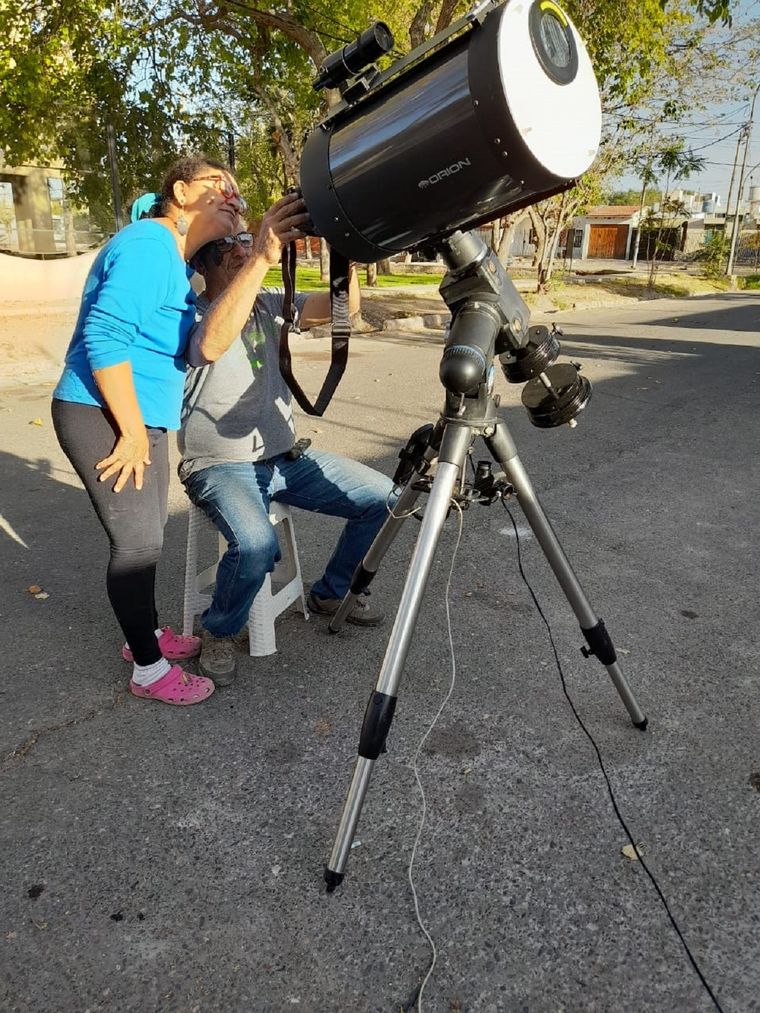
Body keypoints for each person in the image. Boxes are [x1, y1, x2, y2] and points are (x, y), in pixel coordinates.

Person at [52, 155, 247, 706]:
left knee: (150, 533)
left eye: (237, 192)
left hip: (140, 416)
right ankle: (148, 669)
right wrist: (133, 433)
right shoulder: (148, 244)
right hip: (102, 412)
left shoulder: (173, 260)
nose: (233, 198)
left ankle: (147, 632)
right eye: (220, 186)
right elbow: (104, 337)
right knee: (136, 544)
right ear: (181, 192)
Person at [179, 193, 396, 685]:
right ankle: (220, 629)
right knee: (256, 544)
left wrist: (344, 255)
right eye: (228, 244)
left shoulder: (268, 300)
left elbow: (341, 308)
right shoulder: (189, 312)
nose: (242, 247)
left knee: (386, 500)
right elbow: (211, 343)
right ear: (201, 262)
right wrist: (260, 256)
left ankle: (332, 593)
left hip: (283, 457)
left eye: (245, 238)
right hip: (219, 463)